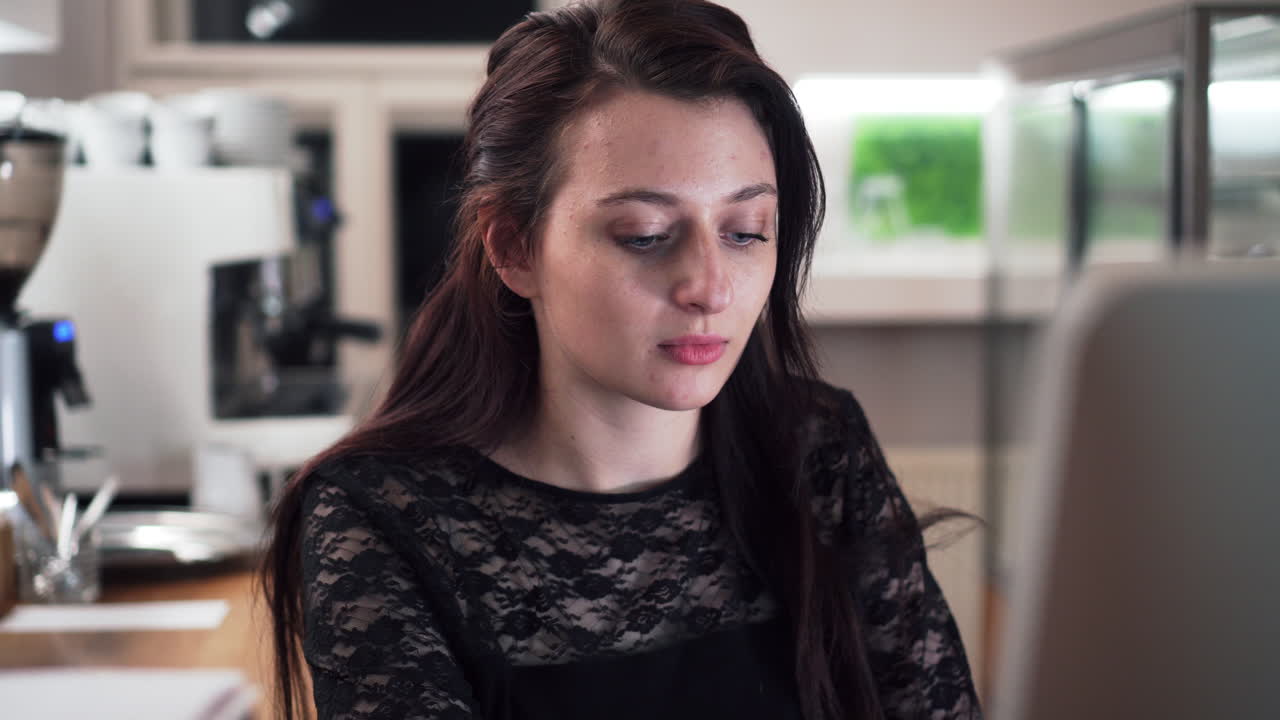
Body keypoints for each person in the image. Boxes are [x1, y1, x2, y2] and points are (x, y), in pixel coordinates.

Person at [261, 1, 982, 718]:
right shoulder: (382, 520)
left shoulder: (819, 451)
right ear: (514, 247)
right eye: (644, 234)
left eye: (744, 231)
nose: (709, 287)